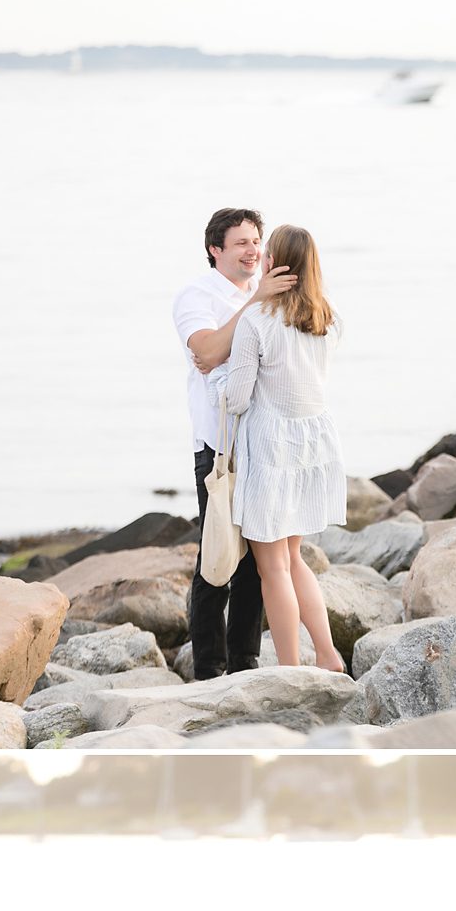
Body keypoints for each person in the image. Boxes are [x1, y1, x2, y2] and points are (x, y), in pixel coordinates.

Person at [171, 207, 292, 681]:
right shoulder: (196, 295)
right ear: (214, 249)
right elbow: (204, 351)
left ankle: (246, 661)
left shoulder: (267, 294)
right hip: (219, 447)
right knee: (217, 553)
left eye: (256, 241)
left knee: (258, 560)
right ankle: (209, 669)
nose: (252, 250)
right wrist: (256, 302)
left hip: (264, 443)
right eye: (240, 242)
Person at [223, 224, 348, 673]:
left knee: (272, 567)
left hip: (272, 451)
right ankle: (329, 654)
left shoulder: (257, 321)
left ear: (275, 262)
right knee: (293, 558)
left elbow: (237, 399)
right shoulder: (325, 318)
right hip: (311, 446)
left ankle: (290, 671)